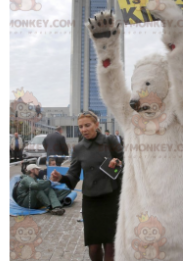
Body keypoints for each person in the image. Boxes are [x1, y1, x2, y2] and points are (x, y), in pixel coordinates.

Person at [51, 111, 123, 261]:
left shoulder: (110, 141)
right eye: (81, 126)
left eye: (87, 125)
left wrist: (116, 164)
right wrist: (61, 178)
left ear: (97, 125)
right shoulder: (78, 149)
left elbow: (127, 163)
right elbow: (73, 177)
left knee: (111, 245)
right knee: (94, 247)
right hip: (91, 201)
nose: (84, 129)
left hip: (112, 198)